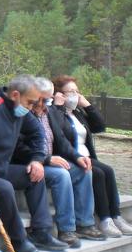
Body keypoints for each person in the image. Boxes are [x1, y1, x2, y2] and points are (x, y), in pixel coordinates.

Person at [0, 75, 69, 252]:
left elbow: (38, 134)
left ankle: (42, 231)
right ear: (15, 95)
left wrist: (36, 159)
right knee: (5, 188)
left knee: (35, 176)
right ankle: (18, 241)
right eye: (29, 102)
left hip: (2, 169)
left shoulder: (22, 111)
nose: (31, 107)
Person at [12, 77, 106, 247]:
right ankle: (66, 229)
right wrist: (46, 159)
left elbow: (62, 142)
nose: (44, 103)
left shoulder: (51, 113)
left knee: (83, 170)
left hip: (48, 161)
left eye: (48, 99)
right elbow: (18, 148)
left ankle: (85, 223)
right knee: (61, 175)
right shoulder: (23, 113)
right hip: (27, 163)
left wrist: (77, 157)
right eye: (42, 99)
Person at [52, 75, 132, 237]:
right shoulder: (55, 113)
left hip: (88, 156)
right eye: (70, 92)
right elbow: (58, 133)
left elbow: (100, 126)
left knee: (108, 170)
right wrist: (58, 107)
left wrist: (87, 105)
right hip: (71, 158)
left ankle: (115, 216)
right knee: (98, 173)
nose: (74, 95)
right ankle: (104, 219)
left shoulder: (78, 112)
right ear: (59, 94)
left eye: (76, 91)